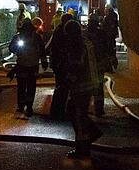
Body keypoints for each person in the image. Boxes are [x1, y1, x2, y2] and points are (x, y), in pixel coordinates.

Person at [62, 19, 103, 158]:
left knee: (77, 115)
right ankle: (91, 134)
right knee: (76, 112)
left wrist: (68, 80)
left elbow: (77, 65)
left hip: (80, 85)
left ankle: (82, 148)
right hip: (90, 83)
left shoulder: (76, 45)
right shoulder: (87, 42)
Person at [10, 19, 47, 117]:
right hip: (31, 66)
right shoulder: (36, 37)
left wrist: (44, 61)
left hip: (23, 65)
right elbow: (42, 51)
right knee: (30, 86)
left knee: (23, 86)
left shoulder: (20, 37)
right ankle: (26, 106)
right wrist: (44, 62)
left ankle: (24, 106)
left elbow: (12, 48)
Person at [47, 12, 75, 119]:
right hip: (62, 64)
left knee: (60, 86)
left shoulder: (58, 31)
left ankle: (57, 110)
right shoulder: (64, 33)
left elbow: (51, 47)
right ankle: (59, 111)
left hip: (58, 63)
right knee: (63, 87)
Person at [85, 14, 113, 116]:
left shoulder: (85, 34)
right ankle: (99, 109)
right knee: (98, 87)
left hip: (89, 65)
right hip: (98, 65)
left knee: (88, 86)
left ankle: (87, 109)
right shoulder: (102, 34)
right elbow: (107, 48)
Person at [102, 6, 120, 72]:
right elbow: (116, 25)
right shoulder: (115, 15)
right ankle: (114, 63)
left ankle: (110, 67)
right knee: (113, 51)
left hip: (108, 37)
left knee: (108, 52)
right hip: (112, 37)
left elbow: (104, 27)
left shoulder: (107, 18)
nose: (104, 11)